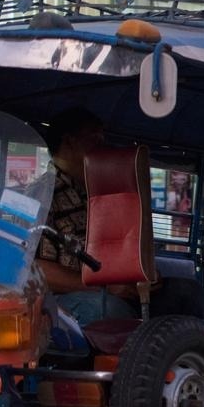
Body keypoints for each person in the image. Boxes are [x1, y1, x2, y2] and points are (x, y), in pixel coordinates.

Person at [36, 108, 138, 325]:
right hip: (57, 298)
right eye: (94, 138)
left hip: (106, 289)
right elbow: (36, 270)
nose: (103, 147)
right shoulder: (41, 194)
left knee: (182, 293)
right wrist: (104, 287)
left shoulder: (97, 193)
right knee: (111, 310)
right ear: (69, 142)